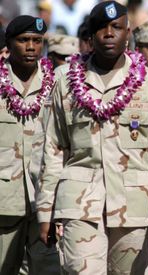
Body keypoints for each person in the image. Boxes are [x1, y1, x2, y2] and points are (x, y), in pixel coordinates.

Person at [36, 1, 148, 274]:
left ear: (128, 33)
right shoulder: (65, 82)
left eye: (116, 27)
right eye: (101, 28)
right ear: (90, 36)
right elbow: (52, 147)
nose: (109, 33)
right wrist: (46, 209)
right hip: (79, 205)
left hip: (136, 205)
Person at [0, 15, 60, 275]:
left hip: (46, 202)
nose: (31, 47)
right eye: (23, 40)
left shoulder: (58, 85)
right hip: (4, 203)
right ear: (8, 44)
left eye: (37, 41)